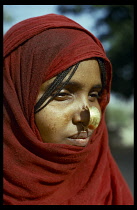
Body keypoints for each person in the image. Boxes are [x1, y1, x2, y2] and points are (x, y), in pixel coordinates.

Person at [3, 13, 133, 205]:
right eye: (62, 94)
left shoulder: (107, 185)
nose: (87, 117)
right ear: (14, 99)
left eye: (94, 95)